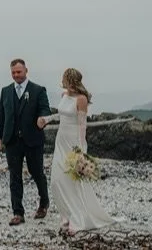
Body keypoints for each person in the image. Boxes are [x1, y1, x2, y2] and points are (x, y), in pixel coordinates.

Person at [48, 68, 116, 235]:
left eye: (64, 78)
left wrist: (81, 148)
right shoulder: (64, 95)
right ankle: (65, 215)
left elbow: (82, 124)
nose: (62, 80)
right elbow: (61, 115)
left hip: (73, 142)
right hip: (60, 140)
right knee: (56, 180)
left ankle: (77, 219)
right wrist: (46, 119)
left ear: (70, 80)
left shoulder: (81, 99)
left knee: (73, 181)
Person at [0, 58, 52, 224]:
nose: (16, 75)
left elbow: (45, 110)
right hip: (12, 140)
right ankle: (18, 212)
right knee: (15, 176)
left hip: (33, 139)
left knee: (37, 172)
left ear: (26, 71)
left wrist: (43, 119)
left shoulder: (38, 90)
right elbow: (1, 115)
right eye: (13, 72)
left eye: (19, 72)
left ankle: (44, 203)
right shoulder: (5, 91)